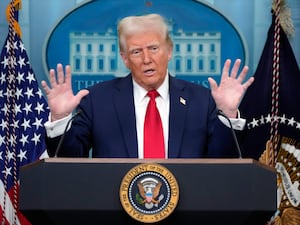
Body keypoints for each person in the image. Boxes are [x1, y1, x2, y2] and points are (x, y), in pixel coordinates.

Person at [41, 13, 254, 158]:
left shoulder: (201, 100)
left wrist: (227, 113)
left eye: (153, 48)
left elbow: (224, 161)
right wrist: (60, 119)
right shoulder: (98, 100)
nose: (146, 59)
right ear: (125, 58)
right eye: (136, 51)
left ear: (169, 51)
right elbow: (68, 160)